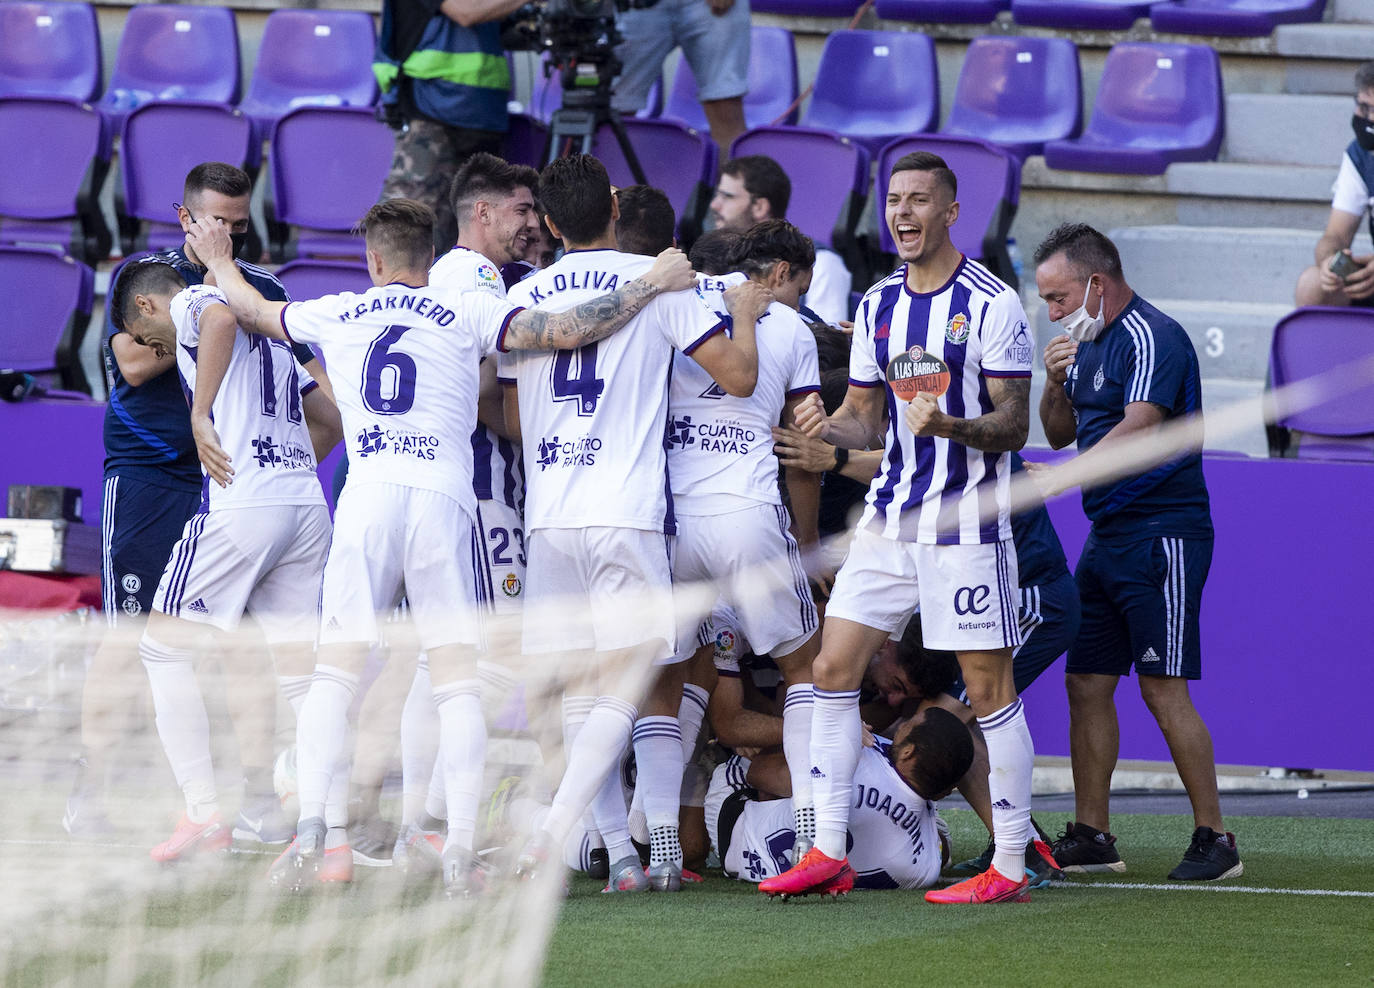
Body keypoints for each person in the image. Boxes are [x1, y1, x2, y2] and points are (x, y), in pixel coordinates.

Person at [188, 196, 699, 896]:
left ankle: (317, 835)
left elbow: (247, 307)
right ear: (429, 258)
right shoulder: (466, 311)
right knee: (455, 677)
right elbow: (565, 330)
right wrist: (648, 283)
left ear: (373, 261)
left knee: (334, 671)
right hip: (441, 500)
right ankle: (457, 850)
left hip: (367, 496)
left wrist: (218, 259)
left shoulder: (338, 309)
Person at [759, 151, 1036, 905]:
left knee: (989, 690)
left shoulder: (992, 303)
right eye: (893, 202)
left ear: (951, 212)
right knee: (830, 672)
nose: (903, 215)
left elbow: (1016, 424)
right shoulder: (879, 303)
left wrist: (947, 422)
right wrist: (825, 422)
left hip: (966, 528)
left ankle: (1009, 866)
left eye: (919, 201)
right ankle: (828, 848)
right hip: (888, 520)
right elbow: (863, 415)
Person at [499, 154, 767, 893]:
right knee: (630, 680)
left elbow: (514, 412)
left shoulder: (527, 294)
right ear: (615, 209)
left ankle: (621, 856)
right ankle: (564, 834)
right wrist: (741, 314)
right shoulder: (665, 283)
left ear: (548, 223)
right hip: (626, 513)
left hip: (549, 516)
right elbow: (739, 378)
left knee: (582, 689)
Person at [65, 162, 325, 844]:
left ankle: (250, 797)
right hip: (151, 475)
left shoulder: (260, 286)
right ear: (186, 218)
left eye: (240, 225)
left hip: (234, 484)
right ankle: (90, 789)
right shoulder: (147, 277)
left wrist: (275, 468)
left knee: (242, 648)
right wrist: (212, 311)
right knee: (129, 638)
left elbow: (312, 399)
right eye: (217, 223)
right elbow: (131, 363)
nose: (230, 235)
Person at [107, 262, 341, 863]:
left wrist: (200, 411)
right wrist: (286, 473)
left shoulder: (195, 303)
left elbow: (211, 317)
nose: (161, 351)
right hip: (304, 504)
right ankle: (332, 824)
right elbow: (332, 417)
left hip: (245, 505)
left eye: (152, 340)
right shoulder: (269, 323)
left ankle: (202, 811)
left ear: (147, 307)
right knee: (301, 675)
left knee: (159, 648)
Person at [1034, 222, 1242, 882]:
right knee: (1086, 682)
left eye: (1059, 297)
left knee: (1162, 688)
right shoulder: (1085, 343)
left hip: (1164, 531)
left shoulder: (1155, 336)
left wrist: (1066, 479)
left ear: (1097, 283)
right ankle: (1093, 834)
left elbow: (1142, 426)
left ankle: (1216, 836)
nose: (1053, 312)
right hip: (1109, 532)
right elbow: (1062, 432)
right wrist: (1053, 382)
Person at [391, 152, 542, 867]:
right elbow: (487, 396)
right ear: (480, 213)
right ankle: (440, 819)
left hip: (459, 485)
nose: (531, 225)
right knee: (489, 653)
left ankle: (421, 818)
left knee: (443, 659)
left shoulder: (450, 278)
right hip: (480, 485)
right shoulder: (474, 277)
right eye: (520, 211)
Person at [657, 214, 822, 863]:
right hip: (745, 513)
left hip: (667, 517)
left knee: (667, 677)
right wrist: (806, 548)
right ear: (779, 274)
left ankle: (658, 841)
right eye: (800, 288)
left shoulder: (676, 302)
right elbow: (800, 450)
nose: (799, 301)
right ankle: (814, 835)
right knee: (805, 670)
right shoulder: (790, 327)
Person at [706, 707, 972, 891]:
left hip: (733, 818)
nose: (900, 728)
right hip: (783, 854)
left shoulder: (858, 763)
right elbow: (942, 848)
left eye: (906, 726)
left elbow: (759, 774)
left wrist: (825, 732)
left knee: (788, 746)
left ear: (908, 753)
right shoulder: (925, 867)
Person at [373, 0, 523, 253]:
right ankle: (398, 293)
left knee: (478, 240)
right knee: (407, 233)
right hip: (431, 113)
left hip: (483, 118)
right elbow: (465, 12)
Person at [707, 155, 853, 325]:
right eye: (717, 195)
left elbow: (825, 346)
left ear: (759, 207)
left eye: (727, 196)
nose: (714, 205)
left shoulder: (822, 264)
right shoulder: (714, 256)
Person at [612, 0, 750, 153]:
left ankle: (733, 176)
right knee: (613, 109)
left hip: (706, 6)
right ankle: (604, 176)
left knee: (725, 105)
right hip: (634, 7)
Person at [1295, 61, 1374, 308]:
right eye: (1364, 107)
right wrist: (1329, 261)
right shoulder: (1361, 155)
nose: (1369, 118)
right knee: (1312, 283)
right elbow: (1335, 235)